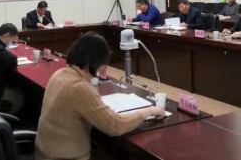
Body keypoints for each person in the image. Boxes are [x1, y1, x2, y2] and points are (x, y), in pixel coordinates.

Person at [35, 32, 165, 160]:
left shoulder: (59, 74)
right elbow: (115, 125)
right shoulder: (80, 87)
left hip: (44, 154)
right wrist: (149, 111)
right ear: (96, 61)